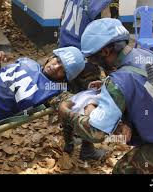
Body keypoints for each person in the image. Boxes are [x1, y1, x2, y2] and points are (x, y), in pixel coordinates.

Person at [59, 18, 153, 174]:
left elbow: (96, 132)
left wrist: (67, 114)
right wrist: (110, 85)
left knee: (124, 170)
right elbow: (152, 84)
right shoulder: (145, 54)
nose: (92, 63)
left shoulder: (118, 81)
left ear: (105, 52)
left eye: (91, 58)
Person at [58, 0, 119, 160]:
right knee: (89, 102)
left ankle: (69, 142)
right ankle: (87, 149)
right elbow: (109, 37)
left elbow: (62, 20)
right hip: (87, 61)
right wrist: (111, 74)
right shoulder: (104, 3)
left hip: (65, 57)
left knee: (70, 100)